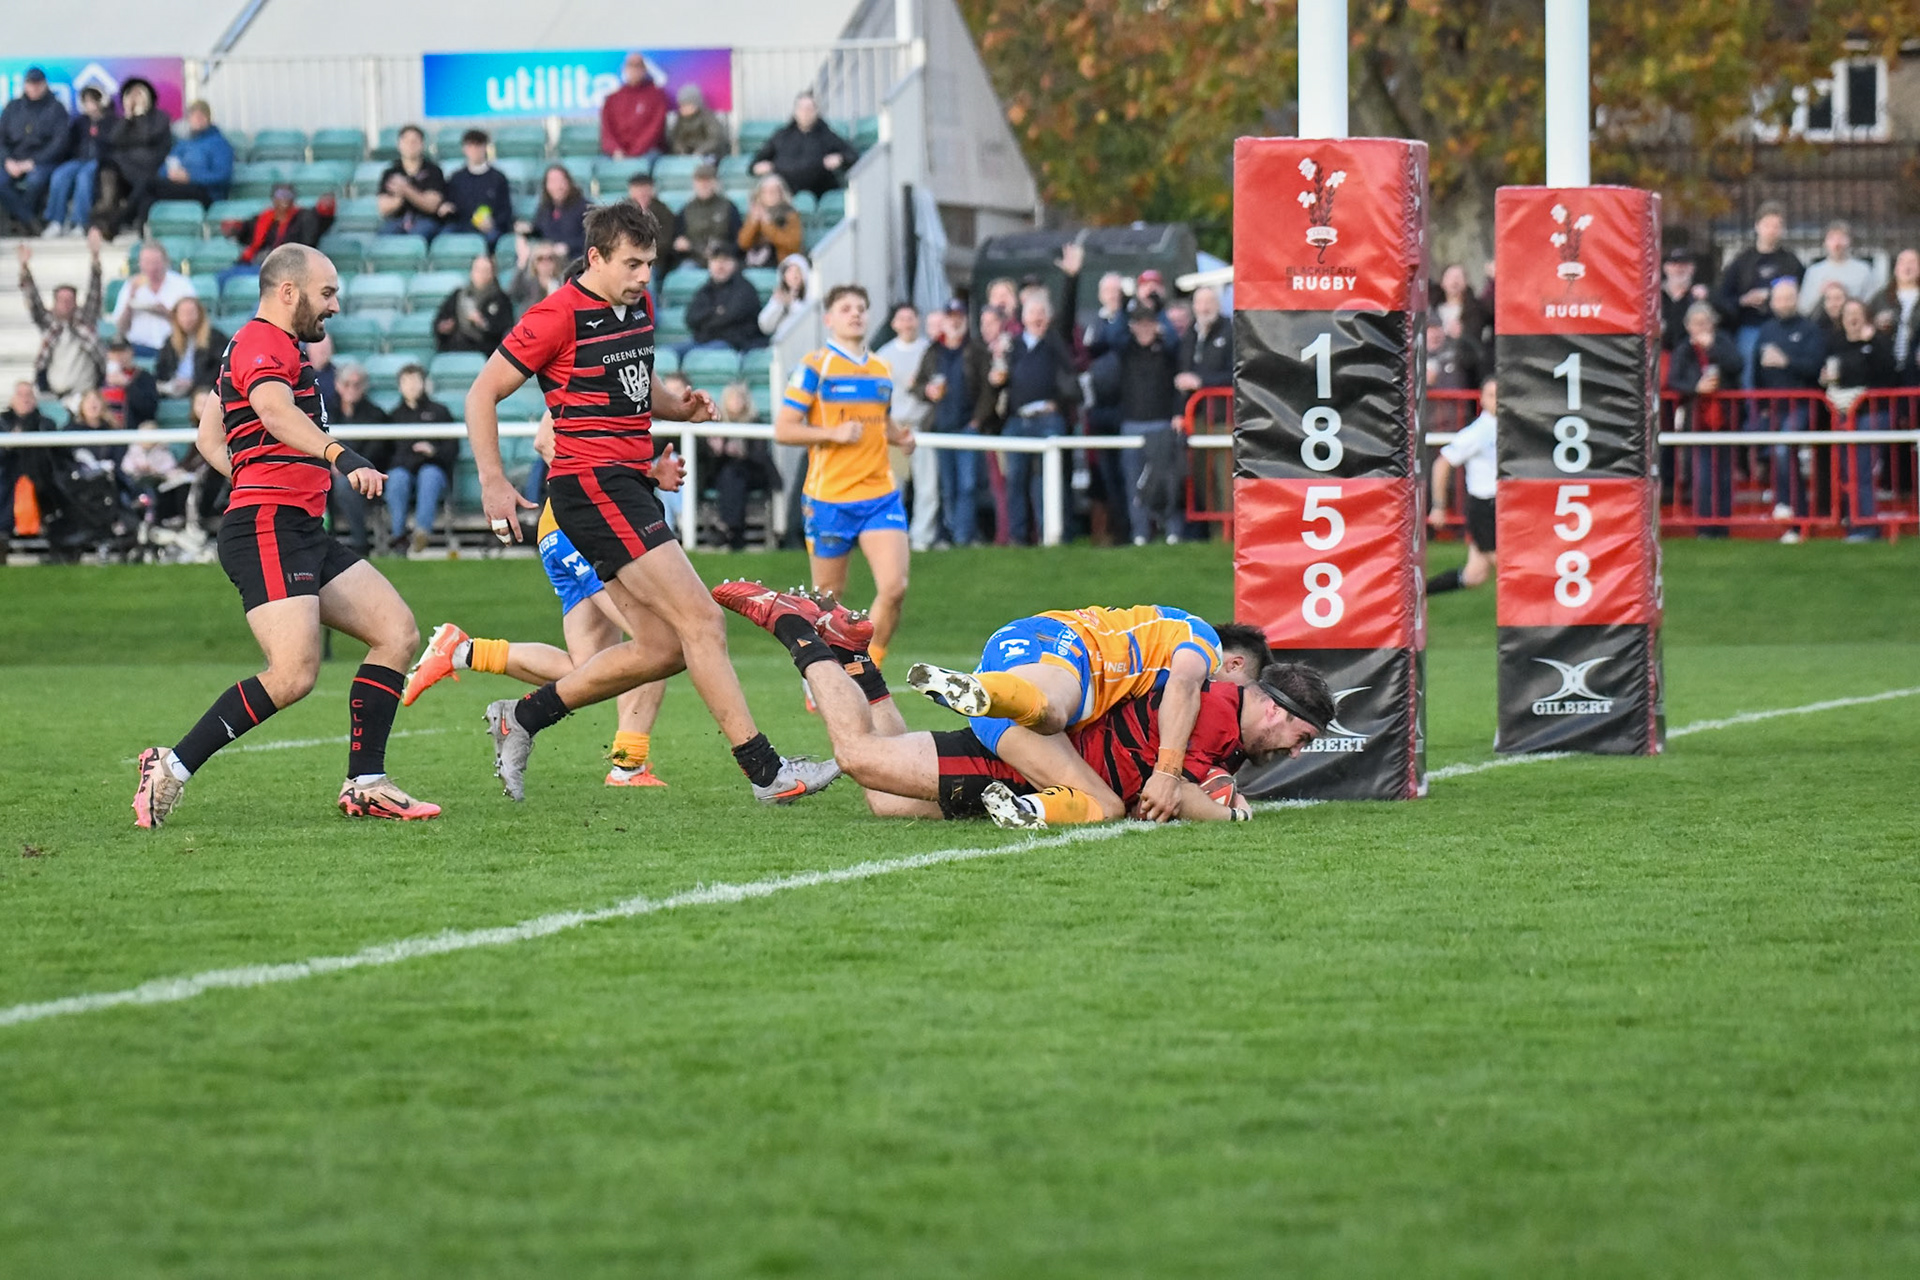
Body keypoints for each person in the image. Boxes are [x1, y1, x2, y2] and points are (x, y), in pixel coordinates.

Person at [464, 198, 837, 805]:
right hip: (591, 490)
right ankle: (768, 773)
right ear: (595, 258)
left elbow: (636, 390)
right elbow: (481, 394)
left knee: (662, 649)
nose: (645, 276)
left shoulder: (637, 305)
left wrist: (677, 409)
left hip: (625, 485)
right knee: (703, 621)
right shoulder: (555, 316)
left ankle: (521, 718)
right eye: (633, 263)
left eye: (651, 264)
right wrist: (493, 482)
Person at [130, 243, 439, 827]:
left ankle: (366, 783)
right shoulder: (260, 341)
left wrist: (259, 473)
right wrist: (339, 456)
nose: (336, 306)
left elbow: (207, 439)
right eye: (328, 293)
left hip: (298, 524)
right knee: (295, 673)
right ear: (288, 292)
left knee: (395, 631)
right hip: (268, 526)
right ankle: (168, 768)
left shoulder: (259, 347)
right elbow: (272, 411)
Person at [716, 584, 1326, 827]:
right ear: (1271, 707)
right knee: (1100, 795)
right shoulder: (1208, 688)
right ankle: (797, 629)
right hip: (1040, 696)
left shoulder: (1217, 714)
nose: (1297, 753)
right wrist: (1225, 809)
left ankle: (855, 658)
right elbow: (1186, 790)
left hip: (1035, 743)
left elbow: (1204, 779)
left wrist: (1215, 789)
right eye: (1303, 738)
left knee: (885, 797)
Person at [403, 414, 674, 786]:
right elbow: (546, 440)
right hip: (580, 523)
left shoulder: (619, 379)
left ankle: (463, 651)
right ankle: (628, 765)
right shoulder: (585, 367)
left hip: (572, 523)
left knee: (591, 668)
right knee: (655, 639)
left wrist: (645, 476)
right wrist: (597, 489)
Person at [905, 607, 1282, 825]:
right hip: (1066, 647)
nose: (1229, 695)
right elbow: (1183, 684)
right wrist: (1167, 773)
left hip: (1020, 673)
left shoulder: (1167, 653)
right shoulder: (1203, 645)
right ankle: (985, 690)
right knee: (1051, 715)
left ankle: (1025, 805)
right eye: (1243, 686)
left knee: (886, 800)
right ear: (1233, 664)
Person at [776, 283, 915, 663]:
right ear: (829, 319)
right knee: (827, 597)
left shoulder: (881, 369)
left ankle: (869, 666)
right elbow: (784, 428)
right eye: (845, 308)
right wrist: (830, 433)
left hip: (878, 495)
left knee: (894, 587)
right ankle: (819, 669)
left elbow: (880, 420)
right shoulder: (814, 368)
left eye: (861, 307)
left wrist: (901, 437)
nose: (855, 313)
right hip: (829, 499)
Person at [1000, 244, 1085, 544]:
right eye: (1032, 312)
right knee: (1016, 481)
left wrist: (1072, 278)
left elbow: (1068, 309)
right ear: (1022, 317)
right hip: (1018, 421)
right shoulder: (1012, 346)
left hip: (1049, 419)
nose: (1037, 317)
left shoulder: (1054, 340)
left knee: (1047, 481)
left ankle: (1054, 535)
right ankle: (1018, 538)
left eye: (1041, 313)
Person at [1091, 300, 1185, 545]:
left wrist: (1160, 306)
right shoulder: (1126, 351)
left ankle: (1173, 531)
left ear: (1157, 325)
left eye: (1149, 323)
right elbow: (1110, 339)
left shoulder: (1168, 351)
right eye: (1139, 324)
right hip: (1131, 426)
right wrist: (1124, 303)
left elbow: (1178, 357)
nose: (1144, 329)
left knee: (1168, 481)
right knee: (1134, 485)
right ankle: (1140, 533)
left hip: (1162, 425)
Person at [1750, 276, 1825, 535]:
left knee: (1784, 449)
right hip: (1772, 406)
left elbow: (1814, 366)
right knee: (1776, 453)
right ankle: (1791, 515)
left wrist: (1786, 361)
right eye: (1779, 298)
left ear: (1797, 300)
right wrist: (1760, 403)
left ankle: (1793, 512)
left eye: (1789, 297)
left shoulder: (1810, 329)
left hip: (1802, 404)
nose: (1784, 303)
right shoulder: (1766, 330)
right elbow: (1757, 370)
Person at [913, 300, 988, 547]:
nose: (955, 321)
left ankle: (962, 536)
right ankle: (954, 532)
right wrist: (928, 391)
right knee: (948, 486)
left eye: (959, 316)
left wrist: (978, 420)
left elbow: (987, 389)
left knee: (967, 485)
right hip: (941, 427)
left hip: (967, 427)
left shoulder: (976, 350)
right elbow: (918, 384)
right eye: (950, 316)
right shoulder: (934, 351)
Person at [1821, 297, 1894, 541]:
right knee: (1847, 468)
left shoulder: (1879, 343)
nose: (1852, 317)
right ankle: (1855, 521)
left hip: (1872, 412)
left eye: (1857, 312)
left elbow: (1889, 374)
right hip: (1843, 411)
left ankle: (1867, 525)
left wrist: (1871, 341)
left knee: (1861, 467)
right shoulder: (1836, 344)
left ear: (1865, 316)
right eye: (1847, 313)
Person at [1667, 301, 1743, 534]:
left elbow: (1737, 364)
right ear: (1688, 326)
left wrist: (1712, 349)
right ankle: (1705, 527)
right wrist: (1696, 387)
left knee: (1724, 474)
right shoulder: (1684, 350)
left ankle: (1724, 525)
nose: (1700, 327)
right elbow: (1674, 380)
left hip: (1725, 420)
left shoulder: (1724, 342)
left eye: (1705, 322)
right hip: (1697, 421)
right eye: (1696, 323)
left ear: (1712, 324)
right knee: (1702, 474)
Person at [1715, 203, 1804, 386]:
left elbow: (1802, 292)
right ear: (1757, 226)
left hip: (1784, 326)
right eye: (1768, 225)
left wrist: (1774, 296)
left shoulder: (1791, 261)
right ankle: (1750, 412)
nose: (1772, 230)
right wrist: (1743, 301)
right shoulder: (1742, 261)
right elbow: (1723, 297)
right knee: (1747, 372)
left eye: (1777, 226)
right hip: (1750, 326)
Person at [876, 301, 938, 551]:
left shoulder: (930, 351)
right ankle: (894, 537)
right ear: (894, 324)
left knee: (928, 486)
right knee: (894, 487)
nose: (907, 323)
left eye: (911, 318)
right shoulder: (884, 355)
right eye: (902, 319)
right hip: (895, 428)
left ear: (918, 321)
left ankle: (922, 536)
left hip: (922, 427)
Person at [1427, 376, 1498, 593]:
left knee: (1474, 574)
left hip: (1497, 505)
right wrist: (1439, 506)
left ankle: (1416, 593)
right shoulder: (1481, 431)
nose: (1497, 400)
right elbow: (1442, 463)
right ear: (1483, 399)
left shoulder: (1503, 428)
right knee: (1510, 568)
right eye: (1492, 395)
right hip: (1485, 506)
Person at [383, 363, 457, 555]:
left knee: (429, 475)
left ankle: (421, 533)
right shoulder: (393, 416)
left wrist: (433, 451)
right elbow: (387, 453)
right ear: (399, 386)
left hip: (433, 468)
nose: (412, 386)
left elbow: (452, 449)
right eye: (406, 382)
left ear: (424, 383)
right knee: (397, 477)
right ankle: (398, 536)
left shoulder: (440, 412)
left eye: (416, 381)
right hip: (403, 470)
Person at [18, 234, 105, 397]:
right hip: (55, 393)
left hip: (84, 394)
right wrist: (24, 268)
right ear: (54, 303)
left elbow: (95, 291)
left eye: (69, 300)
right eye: (61, 300)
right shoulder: (50, 324)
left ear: (76, 303)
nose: (65, 304)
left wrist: (95, 257)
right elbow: (34, 300)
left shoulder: (84, 321)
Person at [128, 99, 233, 231]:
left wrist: (190, 177)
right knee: (148, 195)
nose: (197, 120)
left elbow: (222, 176)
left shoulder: (219, 143)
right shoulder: (184, 144)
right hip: (181, 187)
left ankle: (121, 220)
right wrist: (172, 175)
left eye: (200, 116)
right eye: (193, 116)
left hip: (206, 193)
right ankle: (143, 235)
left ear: (208, 118)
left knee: (148, 184)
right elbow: (164, 169)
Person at [324, 361, 390, 556]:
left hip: (365, 476)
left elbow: (376, 451)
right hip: (329, 471)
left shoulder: (376, 415)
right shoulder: (326, 412)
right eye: (346, 384)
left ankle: (360, 543)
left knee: (344, 485)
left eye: (357, 384)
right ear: (337, 385)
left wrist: (347, 464)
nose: (351, 389)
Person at [95, 77, 170, 239]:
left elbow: (147, 139)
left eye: (139, 94)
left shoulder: (160, 118)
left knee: (143, 184)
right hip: (124, 169)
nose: (135, 98)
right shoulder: (123, 121)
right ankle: (105, 219)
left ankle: (117, 222)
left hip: (149, 167)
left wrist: (141, 116)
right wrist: (128, 117)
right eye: (131, 95)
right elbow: (114, 141)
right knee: (108, 169)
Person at [702, 382, 771, 551]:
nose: (736, 402)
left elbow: (761, 457)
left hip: (752, 471)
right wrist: (716, 451)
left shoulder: (756, 423)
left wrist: (743, 453)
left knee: (734, 475)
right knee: (731, 476)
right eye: (733, 398)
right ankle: (734, 529)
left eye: (740, 398)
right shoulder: (717, 425)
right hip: (725, 475)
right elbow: (710, 463)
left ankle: (727, 527)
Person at [750, 91, 858, 199]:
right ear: (795, 112)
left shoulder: (827, 135)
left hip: (819, 191)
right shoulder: (782, 136)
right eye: (801, 109)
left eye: (809, 109)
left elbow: (852, 156)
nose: (805, 113)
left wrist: (840, 158)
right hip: (786, 194)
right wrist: (758, 167)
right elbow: (756, 163)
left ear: (816, 111)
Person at [0, 67, 68, 236]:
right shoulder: (13, 107)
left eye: (38, 84)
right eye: (31, 83)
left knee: (35, 182)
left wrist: (33, 162)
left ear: (45, 85)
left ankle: (23, 223)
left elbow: (59, 143)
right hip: (12, 160)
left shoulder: (56, 108)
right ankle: (29, 221)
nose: (34, 87)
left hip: (42, 161)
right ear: (25, 85)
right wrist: (7, 160)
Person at [40, 85, 110, 238]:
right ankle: (56, 221)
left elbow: (113, 145)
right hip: (79, 160)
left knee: (84, 177)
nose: (89, 105)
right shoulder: (79, 122)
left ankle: (79, 222)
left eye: (92, 101)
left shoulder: (111, 121)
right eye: (86, 102)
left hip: (101, 161)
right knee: (60, 174)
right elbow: (69, 144)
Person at [113, 242, 197, 359]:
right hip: (138, 348)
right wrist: (130, 299)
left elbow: (195, 322)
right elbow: (121, 326)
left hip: (173, 347)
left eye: (155, 263)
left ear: (165, 262)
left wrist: (166, 313)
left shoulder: (181, 285)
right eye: (147, 263)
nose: (151, 268)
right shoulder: (130, 286)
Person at [685, 243, 765, 352]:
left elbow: (729, 317)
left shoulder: (745, 289)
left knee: (700, 354)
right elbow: (690, 318)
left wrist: (705, 322)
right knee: (669, 352)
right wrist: (715, 311)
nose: (720, 266)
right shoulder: (706, 289)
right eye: (716, 260)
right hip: (703, 341)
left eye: (725, 260)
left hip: (734, 344)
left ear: (735, 264)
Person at [441, 129, 512, 249]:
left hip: (489, 227)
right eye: (470, 145)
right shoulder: (456, 178)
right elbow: (451, 206)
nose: (474, 150)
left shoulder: (498, 178)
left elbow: (505, 209)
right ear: (464, 149)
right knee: (443, 238)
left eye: (478, 145)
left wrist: (493, 222)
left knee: (493, 238)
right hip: (461, 225)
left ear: (485, 148)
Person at [375, 125, 448, 239]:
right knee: (384, 237)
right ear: (399, 144)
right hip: (396, 220)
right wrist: (402, 197)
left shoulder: (433, 171)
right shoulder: (390, 172)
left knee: (418, 235)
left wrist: (405, 189)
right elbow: (383, 207)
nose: (410, 145)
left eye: (414, 141)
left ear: (422, 144)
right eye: (406, 141)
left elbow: (432, 205)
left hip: (425, 220)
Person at [434, 254, 514, 355]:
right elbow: (440, 321)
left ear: (492, 273)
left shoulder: (501, 299)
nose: (481, 274)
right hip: (454, 349)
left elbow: (504, 329)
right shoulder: (458, 295)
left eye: (485, 270)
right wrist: (444, 327)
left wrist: (483, 323)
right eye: (477, 270)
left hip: (485, 352)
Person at [154, 296, 226, 399]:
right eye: (183, 314)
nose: (187, 318)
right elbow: (161, 369)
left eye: (191, 313)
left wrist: (193, 383)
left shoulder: (215, 338)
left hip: (204, 390)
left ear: (200, 314)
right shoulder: (170, 341)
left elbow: (219, 370)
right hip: (173, 389)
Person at [1798, 220, 1877, 314]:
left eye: (1841, 238)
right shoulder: (1814, 271)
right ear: (1825, 243)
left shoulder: (1863, 270)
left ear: (1849, 241)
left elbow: (1872, 305)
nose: (1837, 243)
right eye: (1832, 238)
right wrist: (1821, 293)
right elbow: (1803, 308)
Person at [600, 53, 670, 158]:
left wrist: (634, 152)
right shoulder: (613, 99)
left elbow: (655, 129)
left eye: (638, 67)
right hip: (617, 154)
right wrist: (615, 149)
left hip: (647, 152)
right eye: (630, 66)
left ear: (644, 70)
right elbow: (607, 130)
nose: (634, 71)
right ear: (625, 70)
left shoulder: (656, 96)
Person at [674, 162, 742, 263]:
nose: (704, 184)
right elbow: (677, 240)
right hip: (694, 259)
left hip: (722, 258)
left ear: (715, 182)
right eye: (700, 181)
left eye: (708, 180)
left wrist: (723, 252)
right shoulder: (686, 209)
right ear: (694, 183)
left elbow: (738, 240)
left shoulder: (728, 207)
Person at [1867, 248, 1920, 373]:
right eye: (1902, 262)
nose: (1907, 267)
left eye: (1912, 262)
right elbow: (1866, 324)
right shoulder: (1881, 298)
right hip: (1885, 365)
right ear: (1896, 268)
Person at [1176, 286, 1233, 394]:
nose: (1204, 308)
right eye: (1200, 302)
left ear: (1218, 305)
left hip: (1220, 406)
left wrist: (1202, 381)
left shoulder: (1230, 333)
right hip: (1193, 407)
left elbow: (1235, 374)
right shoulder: (1189, 335)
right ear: (1194, 306)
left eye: (1209, 302)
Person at [737, 175, 803, 269]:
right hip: (755, 261)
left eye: (774, 191)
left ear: (781, 193)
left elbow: (792, 244)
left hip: (782, 262)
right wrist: (753, 222)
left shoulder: (790, 214)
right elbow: (743, 244)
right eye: (765, 191)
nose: (770, 194)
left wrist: (768, 225)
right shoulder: (755, 213)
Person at [524, 164, 587, 261]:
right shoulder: (545, 208)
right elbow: (538, 231)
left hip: (574, 259)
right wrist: (525, 231)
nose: (557, 186)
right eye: (552, 182)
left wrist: (568, 247)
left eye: (561, 181)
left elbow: (590, 239)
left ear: (568, 182)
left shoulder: (584, 207)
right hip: (548, 259)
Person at [99, 339, 159, 429]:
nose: (118, 356)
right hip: (105, 431)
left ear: (131, 352)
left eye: (122, 352)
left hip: (134, 432)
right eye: (114, 352)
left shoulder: (144, 377)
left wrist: (128, 385)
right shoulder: (101, 377)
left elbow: (149, 409)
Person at [624, 172, 678, 271]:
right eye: (638, 189)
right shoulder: (622, 212)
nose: (641, 193)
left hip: (655, 259)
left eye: (645, 189)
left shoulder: (662, 211)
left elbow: (666, 239)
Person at [1658, 248, 1709, 351]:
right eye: (1674, 264)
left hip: (1691, 354)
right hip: (1661, 355)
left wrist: (1708, 297)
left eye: (1684, 264)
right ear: (1665, 268)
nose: (1679, 268)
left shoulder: (1701, 294)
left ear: (1693, 268)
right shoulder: (1654, 296)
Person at [1431, 263, 1491, 348]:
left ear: (1466, 282)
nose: (1455, 281)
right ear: (1442, 282)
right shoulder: (1432, 309)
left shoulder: (1475, 309)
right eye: (1450, 277)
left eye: (1459, 277)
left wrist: (1463, 334)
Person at [757, 252, 812, 337]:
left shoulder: (810, 295)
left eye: (798, 271)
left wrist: (792, 304)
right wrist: (779, 304)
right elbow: (765, 326)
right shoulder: (779, 296)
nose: (794, 275)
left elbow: (807, 321)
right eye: (789, 271)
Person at [666, 84, 729, 158]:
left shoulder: (707, 118)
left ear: (695, 105)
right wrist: (681, 150)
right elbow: (675, 139)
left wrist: (700, 151)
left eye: (686, 105)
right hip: (686, 157)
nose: (682, 109)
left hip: (706, 155)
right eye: (681, 105)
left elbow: (715, 139)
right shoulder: (680, 120)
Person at [507, 238, 565, 309]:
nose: (545, 262)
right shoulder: (527, 282)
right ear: (534, 263)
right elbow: (512, 293)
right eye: (540, 259)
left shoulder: (563, 283)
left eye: (550, 258)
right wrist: (522, 264)